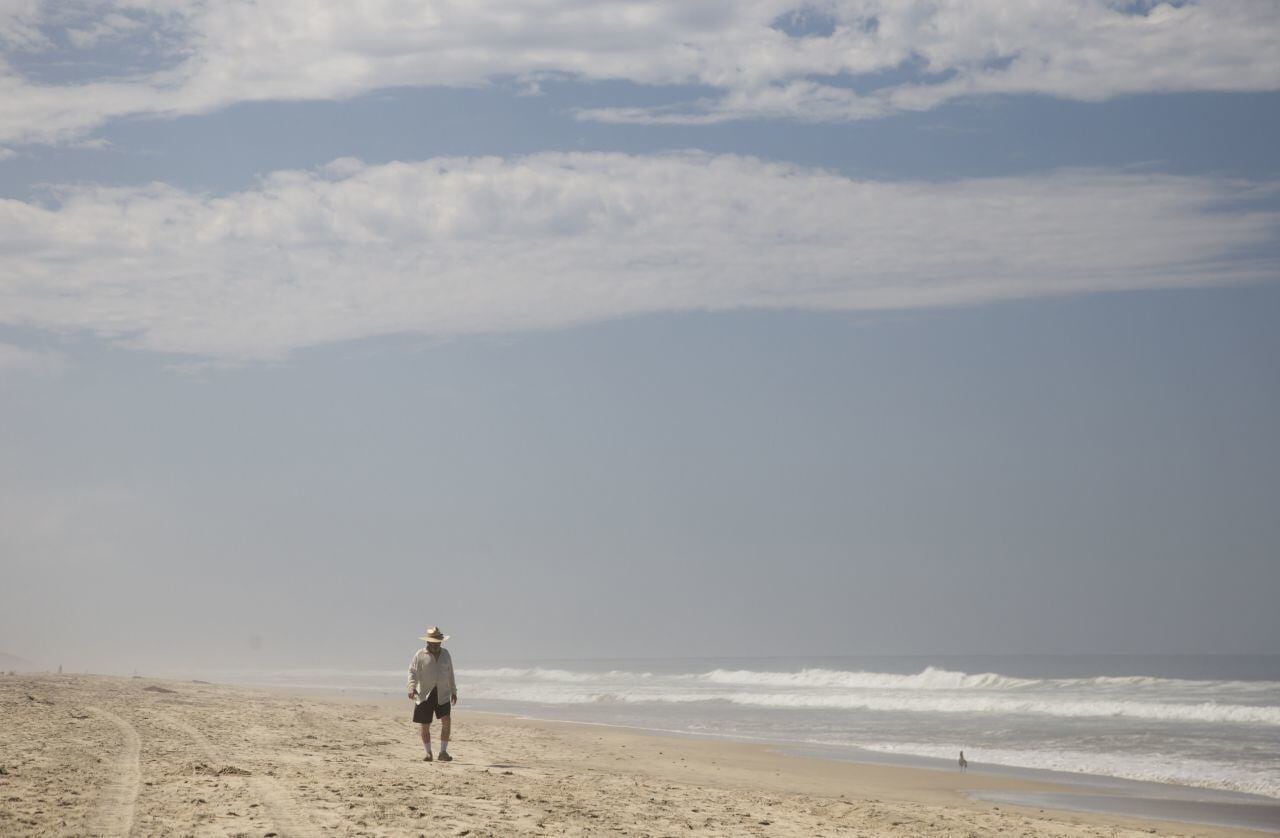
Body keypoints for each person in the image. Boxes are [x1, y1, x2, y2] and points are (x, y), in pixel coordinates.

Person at [407, 626, 458, 762]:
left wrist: (454, 691)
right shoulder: (420, 654)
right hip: (424, 694)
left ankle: (443, 752)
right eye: (433, 642)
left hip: (443, 692)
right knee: (425, 724)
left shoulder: (446, 654)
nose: (436, 645)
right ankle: (428, 753)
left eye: (438, 642)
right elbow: (412, 672)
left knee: (446, 720)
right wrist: (411, 687)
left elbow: (450, 674)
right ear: (428, 642)